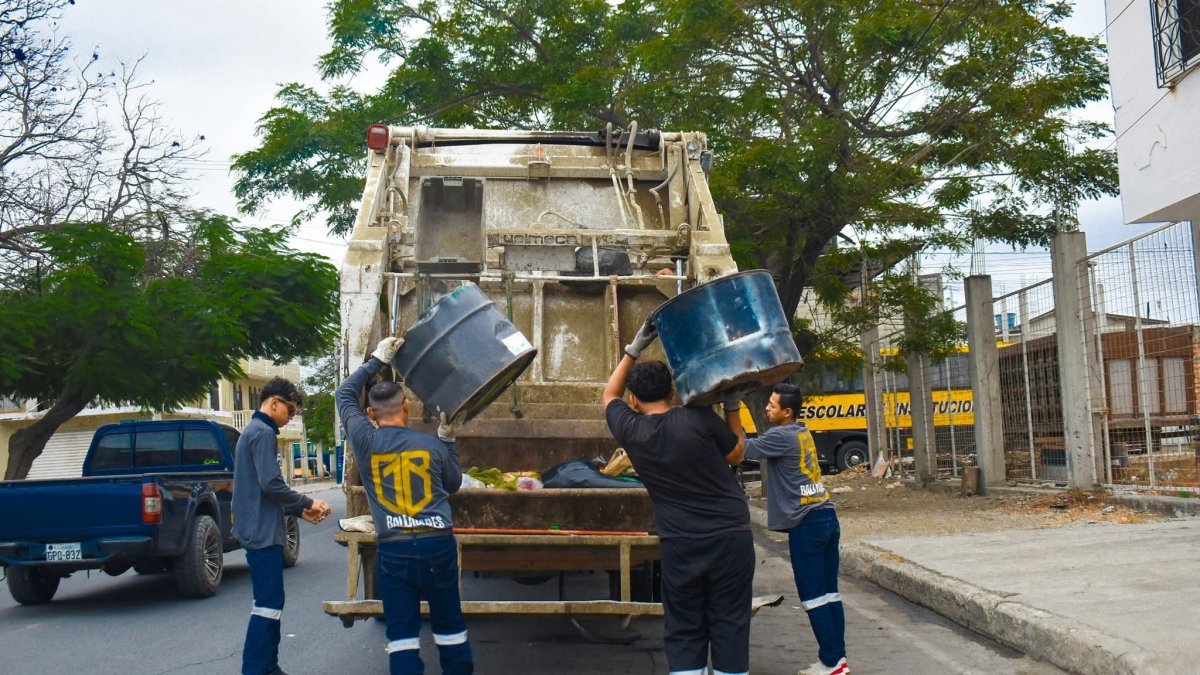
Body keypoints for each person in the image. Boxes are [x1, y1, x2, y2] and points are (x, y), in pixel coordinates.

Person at [602, 318, 754, 675]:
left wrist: (633, 348)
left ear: (635, 400)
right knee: (730, 620)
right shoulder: (699, 419)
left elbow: (609, 395)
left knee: (685, 624)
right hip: (730, 535)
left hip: (680, 542)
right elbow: (736, 455)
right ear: (671, 392)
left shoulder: (631, 429)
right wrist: (732, 406)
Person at [335, 336, 473, 675]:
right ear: (406, 406)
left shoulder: (366, 441)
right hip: (438, 544)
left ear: (370, 414)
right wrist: (448, 439)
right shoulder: (431, 446)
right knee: (450, 630)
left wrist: (376, 361)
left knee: (403, 638)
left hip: (394, 550)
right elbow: (454, 484)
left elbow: (342, 394)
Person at [738, 383, 848, 675]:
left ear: (787, 412)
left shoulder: (780, 435)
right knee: (829, 593)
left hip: (807, 523)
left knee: (813, 596)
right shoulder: (799, 431)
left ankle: (832, 662)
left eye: (772, 405)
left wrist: (730, 408)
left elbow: (739, 451)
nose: (766, 407)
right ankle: (837, 659)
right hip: (826, 516)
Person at [233, 377, 333, 675]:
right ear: (272, 402)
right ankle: (256, 668)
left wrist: (300, 512)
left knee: (270, 601)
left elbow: (266, 490)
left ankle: (268, 666)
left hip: (261, 526)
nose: (291, 417)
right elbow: (271, 483)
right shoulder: (262, 432)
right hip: (261, 531)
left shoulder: (257, 431)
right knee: (268, 601)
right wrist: (307, 503)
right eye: (289, 409)